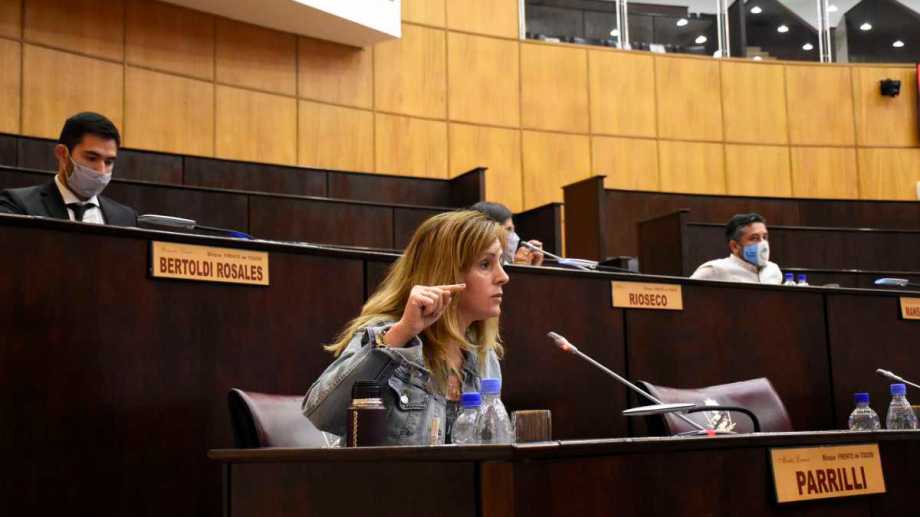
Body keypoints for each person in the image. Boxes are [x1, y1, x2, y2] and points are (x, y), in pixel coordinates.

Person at [302, 210, 510, 445]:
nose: (503, 277)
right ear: (445, 272)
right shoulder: (390, 334)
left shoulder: (484, 355)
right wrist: (402, 333)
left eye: (500, 263)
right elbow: (321, 415)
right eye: (485, 264)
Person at [0, 112, 136, 226]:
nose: (101, 170)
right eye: (91, 158)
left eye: (109, 162)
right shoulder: (18, 206)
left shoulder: (126, 217)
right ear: (62, 154)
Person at [690, 213, 783, 284]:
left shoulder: (773, 269)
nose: (763, 243)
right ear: (735, 246)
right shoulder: (714, 269)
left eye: (765, 237)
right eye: (754, 238)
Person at [471, 201, 544, 266]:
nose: (516, 238)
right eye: (508, 229)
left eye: (513, 230)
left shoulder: (505, 263)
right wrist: (519, 269)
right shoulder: (475, 266)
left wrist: (534, 267)